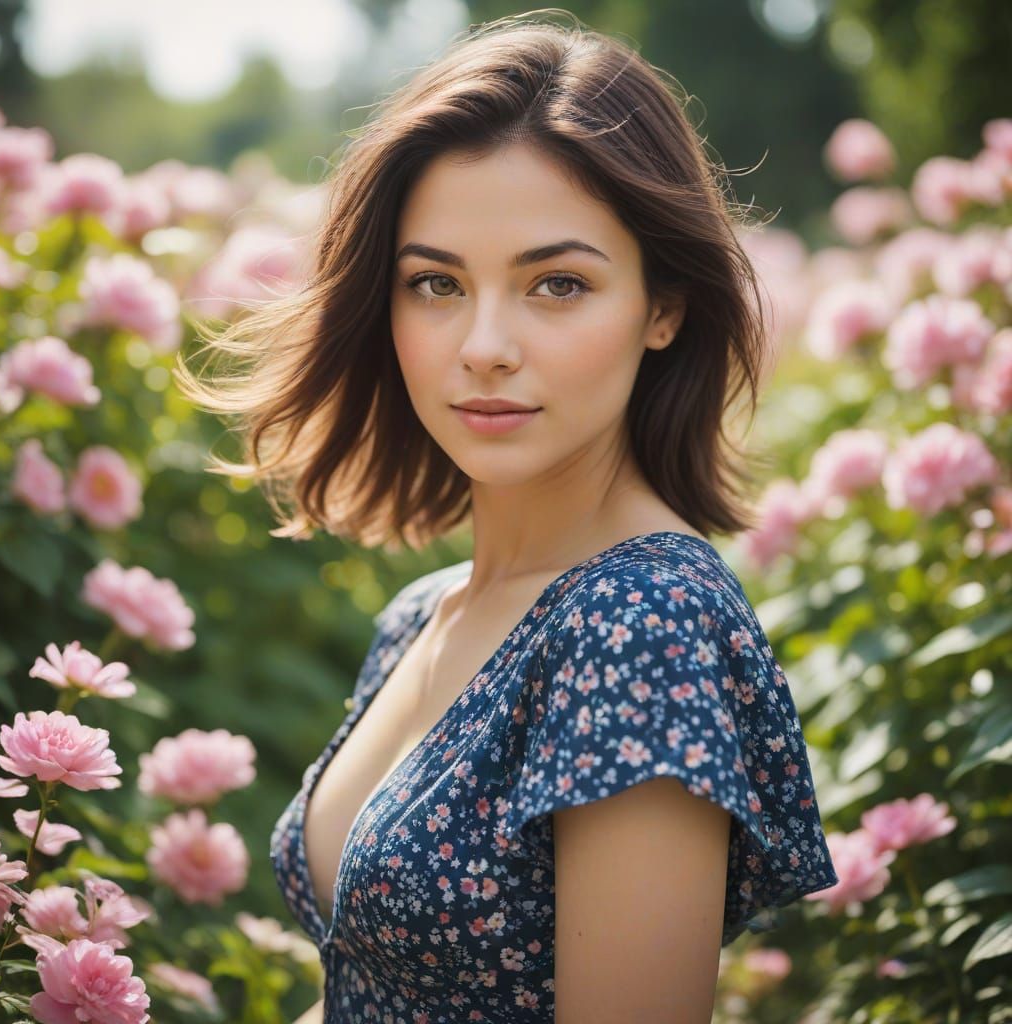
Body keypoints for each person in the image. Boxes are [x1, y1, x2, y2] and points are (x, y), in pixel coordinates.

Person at [175, 10, 838, 1023]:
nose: (483, 344)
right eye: (435, 283)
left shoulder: (640, 626)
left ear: (663, 306)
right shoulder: (424, 612)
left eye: (556, 284)